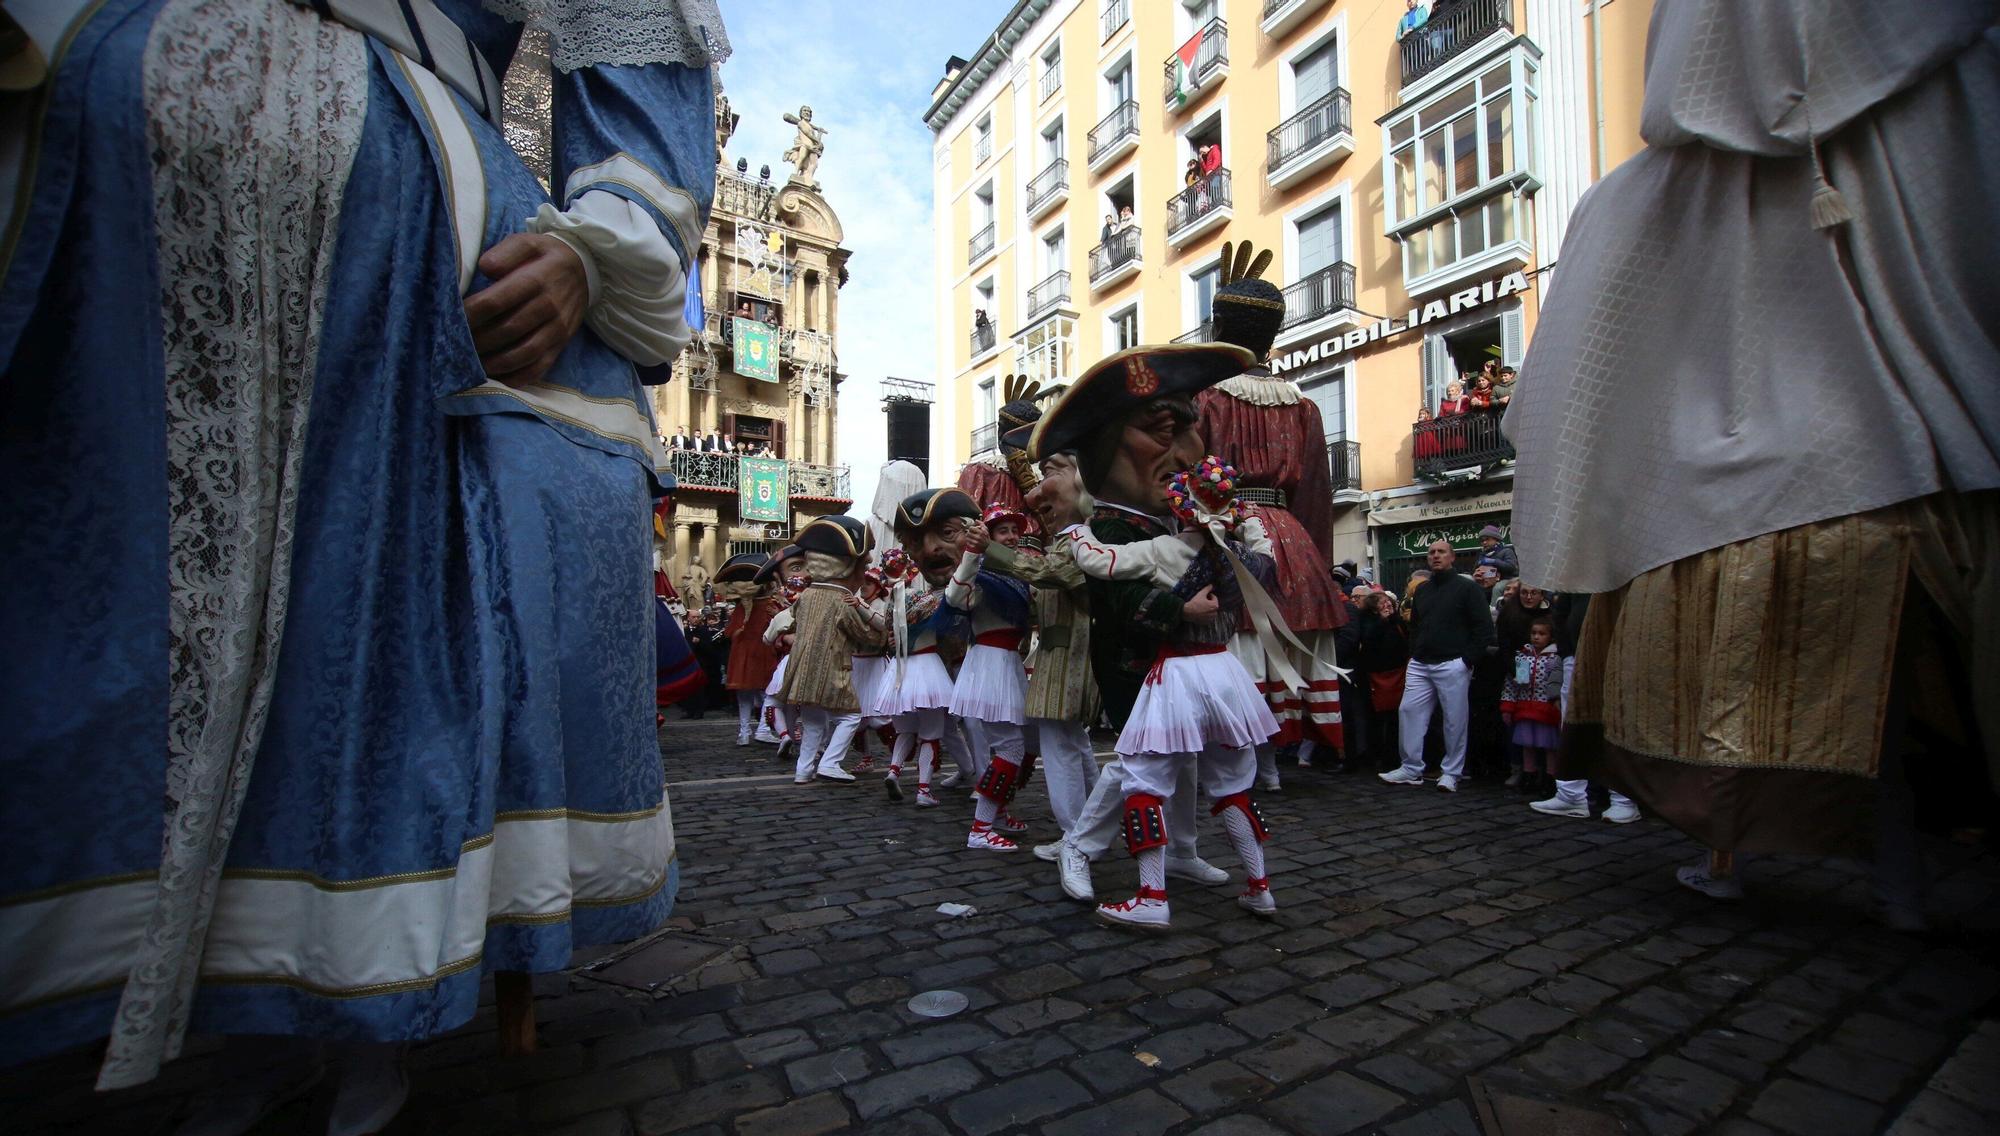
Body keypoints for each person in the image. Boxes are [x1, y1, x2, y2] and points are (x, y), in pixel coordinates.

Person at [0, 0, 728, 1121]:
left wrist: (600, 246)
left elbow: (629, 48)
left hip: (415, 228)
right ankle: (241, 1001)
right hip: (114, 195)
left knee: (384, 643)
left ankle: (365, 1010)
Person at [1508, 0, 1998, 930]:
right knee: (1875, 718)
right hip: (1926, 482)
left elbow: (1563, 391)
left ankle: (1805, 874)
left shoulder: (1630, 201)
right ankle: (1892, 888)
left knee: (1767, 719)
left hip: (1740, 515)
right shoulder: (1953, 92)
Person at [1032, 342, 1288, 930]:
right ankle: (1082, 847)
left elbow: (1250, 576)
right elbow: (1115, 592)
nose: (1184, 455)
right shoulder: (1119, 522)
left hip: (1197, 668)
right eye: (1158, 431)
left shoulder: (1183, 522)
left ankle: (1182, 856)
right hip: (1138, 664)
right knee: (1137, 766)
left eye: (1186, 431)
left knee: (1198, 770)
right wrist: (1180, 607)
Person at [1194, 241, 1348, 779]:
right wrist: (1318, 565)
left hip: (1230, 528)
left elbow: (1191, 477)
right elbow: (1316, 493)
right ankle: (1271, 764)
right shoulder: (1302, 405)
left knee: (1239, 638)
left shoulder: (1206, 400)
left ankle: (1241, 763)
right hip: (1290, 536)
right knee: (1275, 639)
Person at [886, 489, 986, 807]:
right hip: (942, 666)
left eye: (945, 533)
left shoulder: (980, 582)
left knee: (972, 721)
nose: (930, 549)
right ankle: (969, 770)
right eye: (917, 542)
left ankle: (983, 779)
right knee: (946, 726)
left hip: (975, 664)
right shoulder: (922, 594)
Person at [945, 505, 1037, 851]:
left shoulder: (1016, 572)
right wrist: (971, 554)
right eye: (1003, 531)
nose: (1012, 536)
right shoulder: (981, 574)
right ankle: (980, 827)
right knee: (1010, 746)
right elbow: (954, 598)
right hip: (991, 666)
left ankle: (997, 815)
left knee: (1023, 743)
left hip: (1007, 663)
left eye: (1015, 529)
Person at [1381, 540, 1495, 792]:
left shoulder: (1468, 589)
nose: (1435, 556)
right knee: (1409, 712)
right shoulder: (1423, 590)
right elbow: (1417, 627)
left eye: (1441, 552)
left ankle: (1451, 772)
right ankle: (1411, 768)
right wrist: (1414, 654)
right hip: (1421, 662)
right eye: (1431, 552)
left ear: (1452, 557)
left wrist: (1466, 661)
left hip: (1453, 663)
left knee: (1455, 720)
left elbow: (1484, 630)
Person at [777, 517, 882, 785]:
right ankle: (830, 763)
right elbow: (863, 635)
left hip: (802, 669)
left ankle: (803, 771)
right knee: (851, 715)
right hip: (831, 670)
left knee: (813, 722)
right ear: (848, 567)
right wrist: (882, 631)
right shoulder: (842, 600)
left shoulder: (806, 596)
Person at [717, 554, 781, 746]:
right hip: (762, 653)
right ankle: (762, 728)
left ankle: (744, 732)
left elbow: (729, 633)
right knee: (767, 694)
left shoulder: (741, 608)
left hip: (741, 655)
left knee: (744, 696)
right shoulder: (769, 606)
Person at [1501, 618, 1564, 795]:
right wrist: (1508, 706)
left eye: (1542, 634)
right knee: (1527, 744)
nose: (1536, 637)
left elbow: (1557, 684)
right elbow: (1514, 684)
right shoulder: (1523, 656)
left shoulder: (1554, 658)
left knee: (1549, 746)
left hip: (1546, 708)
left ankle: (1550, 778)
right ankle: (1529, 775)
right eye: (1534, 633)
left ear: (1550, 637)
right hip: (1525, 706)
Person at [1358, 591, 1410, 769]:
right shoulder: (1368, 622)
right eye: (1382, 603)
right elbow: (1368, 643)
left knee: (1396, 719)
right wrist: (1382, 622)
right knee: (1378, 720)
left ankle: (1394, 757)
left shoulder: (1398, 622)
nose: (1387, 605)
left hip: (1398, 674)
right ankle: (1377, 755)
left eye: (1388, 602)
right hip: (1376, 677)